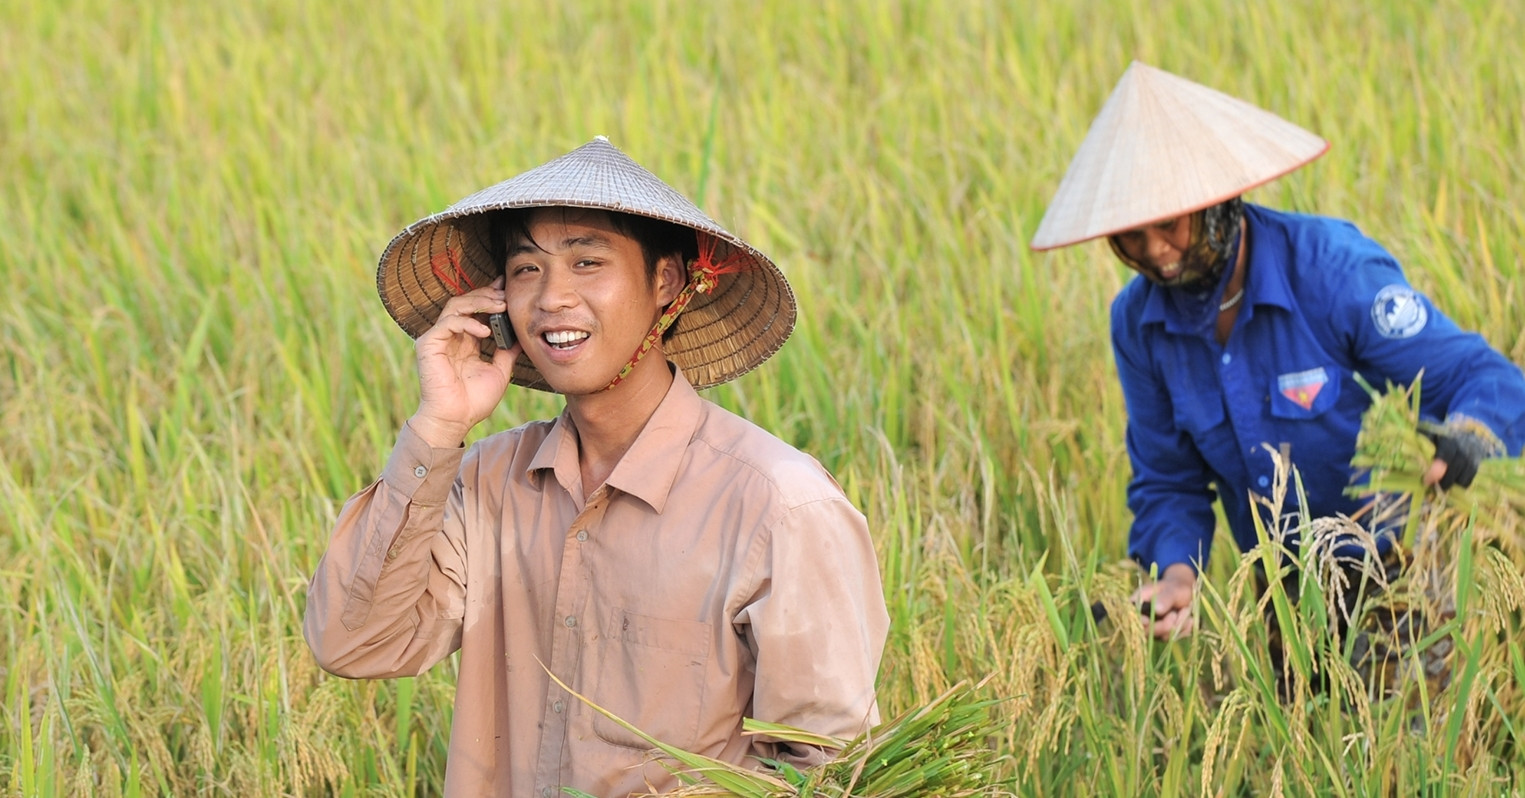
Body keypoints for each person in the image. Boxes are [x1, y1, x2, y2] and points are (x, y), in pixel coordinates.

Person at [303, 137, 889, 796]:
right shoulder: (487, 486)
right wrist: (438, 426)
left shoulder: (778, 505)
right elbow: (354, 642)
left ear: (665, 284)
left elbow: (831, 766)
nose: (552, 298)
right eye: (526, 269)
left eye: (587, 262)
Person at [1030, 62, 1525, 643]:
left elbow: (1481, 374)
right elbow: (1168, 478)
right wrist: (1177, 575)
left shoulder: (1334, 272)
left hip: (1401, 570)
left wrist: (1469, 434)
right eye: (1130, 238)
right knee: (1299, 728)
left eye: (1167, 225)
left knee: (1405, 727)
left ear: (1216, 203)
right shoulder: (1138, 325)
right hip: (1284, 595)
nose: (1155, 252)